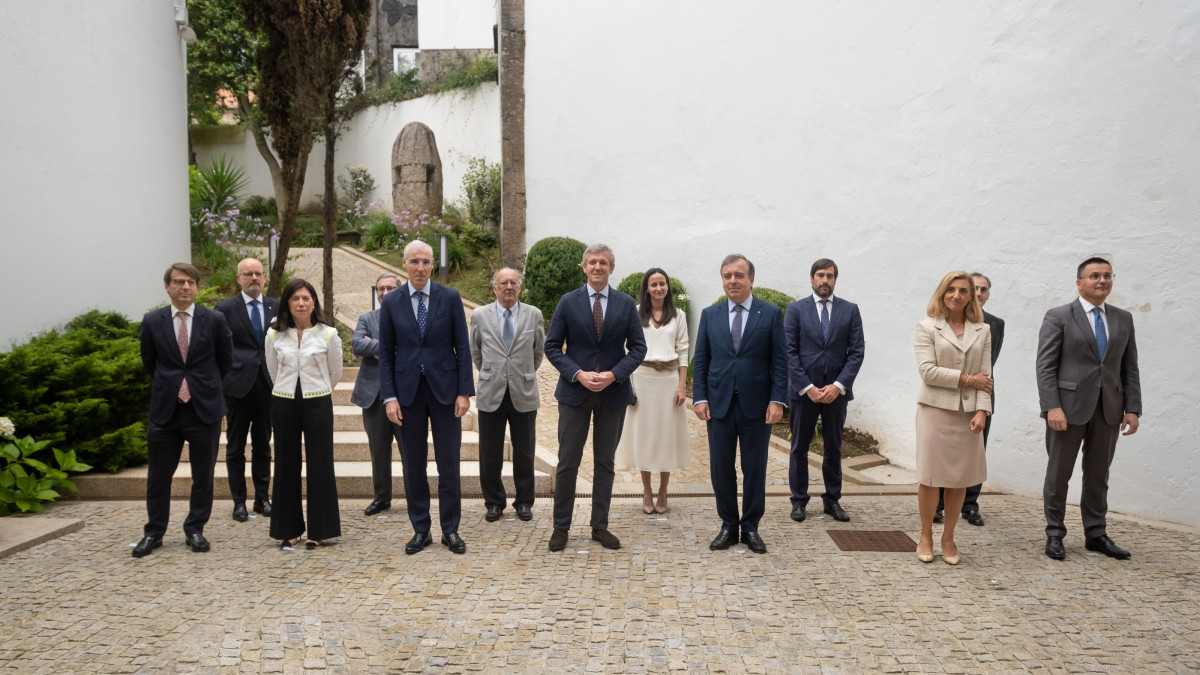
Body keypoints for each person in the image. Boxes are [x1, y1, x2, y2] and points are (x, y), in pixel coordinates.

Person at [544, 243, 646, 552]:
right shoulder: (568, 302)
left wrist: (615, 375)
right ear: (584, 267)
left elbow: (638, 348)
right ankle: (560, 527)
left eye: (603, 262)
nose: (597, 267)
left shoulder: (626, 304)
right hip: (575, 392)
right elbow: (552, 346)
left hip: (613, 394)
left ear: (611, 268)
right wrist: (578, 373)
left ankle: (599, 526)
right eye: (592, 263)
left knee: (605, 462)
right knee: (567, 462)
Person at [1037, 257, 1141, 561]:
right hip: (1067, 411)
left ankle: (1096, 534)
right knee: (1059, 474)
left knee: (1098, 474)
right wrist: (1052, 407)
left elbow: (1129, 368)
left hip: (1109, 409)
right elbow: (1045, 367)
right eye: (1094, 275)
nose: (1102, 280)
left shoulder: (1123, 319)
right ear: (1079, 282)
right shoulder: (1058, 316)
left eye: (1107, 275)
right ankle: (1055, 533)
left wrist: (1133, 408)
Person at [379, 240, 475, 555]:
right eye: (415, 262)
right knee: (413, 466)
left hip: (446, 392)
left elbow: (463, 347)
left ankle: (450, 529)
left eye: (426, 262)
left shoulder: (449, 298)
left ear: (433, 265)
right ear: (404, 264)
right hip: (407, 394)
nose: (420, 268)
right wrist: (389, 396)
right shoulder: (391, 302)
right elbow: (386, 355)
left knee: (449, 464)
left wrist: (464, 391)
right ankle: (421, 529)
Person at [134, 263, 233, 557]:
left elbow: (224, 361)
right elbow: (149, 362)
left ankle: (195, 529)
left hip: (204, 409)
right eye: (178, 282)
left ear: (197, 287)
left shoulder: (214, 320)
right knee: (158, 476)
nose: (185, 287)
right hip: (167, 410)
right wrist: (173, 384)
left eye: (190, 282)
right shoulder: (153, 321)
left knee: (203, 475)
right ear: (167, 287)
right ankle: (154, 532)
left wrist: (202, 385)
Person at [693, 254, 787, 554]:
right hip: (718, 405)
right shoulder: (710, 314)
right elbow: (702, 359)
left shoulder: (770, 314)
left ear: (751, 280)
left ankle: (750, 527)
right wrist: (700, 396)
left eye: (738, 275)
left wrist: (777, 400)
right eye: (727, 276)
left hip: (757, 406)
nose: (732, 281)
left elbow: (780, 362)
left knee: (754, 468)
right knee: (721, 469)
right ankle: (728, 525)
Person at [913, 271, 993, 565]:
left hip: (968, 413)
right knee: (931, 477)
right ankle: (925, 536)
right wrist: (969, 380)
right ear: (942, 293)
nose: (956, 295)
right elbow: (928, 372)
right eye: (951, 290)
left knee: (960, 478)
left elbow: (986, 377)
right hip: (934, 410)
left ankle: (948, 537)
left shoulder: (982, 330)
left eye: (963, 290)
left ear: (972, 295)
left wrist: (983, 410)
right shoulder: (926, 327)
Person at [784, 258, 865, 524]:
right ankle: (799, 501)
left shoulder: (850, 310)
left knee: (834, 447)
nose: (825, 280)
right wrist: (807, 387)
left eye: (830, 276)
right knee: (799, 448)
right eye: (820, 275)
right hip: (804, 391)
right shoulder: (796, 310)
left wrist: (838, 386)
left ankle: (832, 500)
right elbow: (790, 352)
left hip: (835, 392)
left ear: (835, 280)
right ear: (811, 278)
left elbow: (856, 352)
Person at [264, 279, 343, 550]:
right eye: (295, 298)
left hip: (318, 402)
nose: (301, 303)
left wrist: (317, 389)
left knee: (320, 465)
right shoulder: (274, 335)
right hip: (283, 402)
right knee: (286, 464)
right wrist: (288, 390)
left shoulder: (328, 334)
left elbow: (334, 373)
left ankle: (320, 529)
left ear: (313, 303)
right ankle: (288, 529)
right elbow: (273, 371)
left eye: (306, 298)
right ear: (287, 302)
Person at [469, 267, 545, 522]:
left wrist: (520, 372)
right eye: (504, 283)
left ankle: (524, 502)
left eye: (513, 282)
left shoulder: (533, 315)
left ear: (520, 287)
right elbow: (476, 351)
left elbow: (538, 352)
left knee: (524, 452)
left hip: (523, 391)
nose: (509, 286)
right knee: (490, 453)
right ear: (495, 288)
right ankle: (493, 502)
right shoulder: (479, 315)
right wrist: (494, 373)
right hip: (491, 392)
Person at [615, 268, 690, 515]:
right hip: (642, 379)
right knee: (645, 436)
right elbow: (628, 350)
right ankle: (646, 490)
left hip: (669, 380)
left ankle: (664, 490)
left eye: (662, 284)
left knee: (666, 437)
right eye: (653, 284)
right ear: (646, 288)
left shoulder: (678, 315)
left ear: (668, 287)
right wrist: (629, 384)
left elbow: (683, 351)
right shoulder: (635, 313)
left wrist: (682, 386)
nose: (658, 288)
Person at [936, 272, 1004, 526]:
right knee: (946, 454)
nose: (978, 293)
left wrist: (982, 400)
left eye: (984, 289)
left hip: (981, 393)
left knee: (975, 454)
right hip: (950, 394)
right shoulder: (943, 321)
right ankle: (940, 504)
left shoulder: (995, 325)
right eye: (973, 288)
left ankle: (970, 505)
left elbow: (989, 364)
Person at [215, 257, 277, 522]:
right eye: (247, 274)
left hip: (268, 384)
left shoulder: (276, 306)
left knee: (263, 445)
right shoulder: (225, 308)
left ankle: (262, 498)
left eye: (258, 274)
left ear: (264, 278)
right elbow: (218, 349)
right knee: (235, 447)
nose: (254, 278)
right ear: (238, 278)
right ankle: (238, 501)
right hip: (237, 386)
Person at [351, 274, 405, 517]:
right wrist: (387, 348)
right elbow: (357, 345)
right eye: (381, 288)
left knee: (410, 451)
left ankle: (416, 496)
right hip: (373, 397)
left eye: (390, 288)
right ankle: (382, 498)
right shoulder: (367, 318)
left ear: (399, 291)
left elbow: (410, 348)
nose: (385, 292)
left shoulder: (409, 318)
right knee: (378, 451)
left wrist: (375, 346)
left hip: (406, 396)